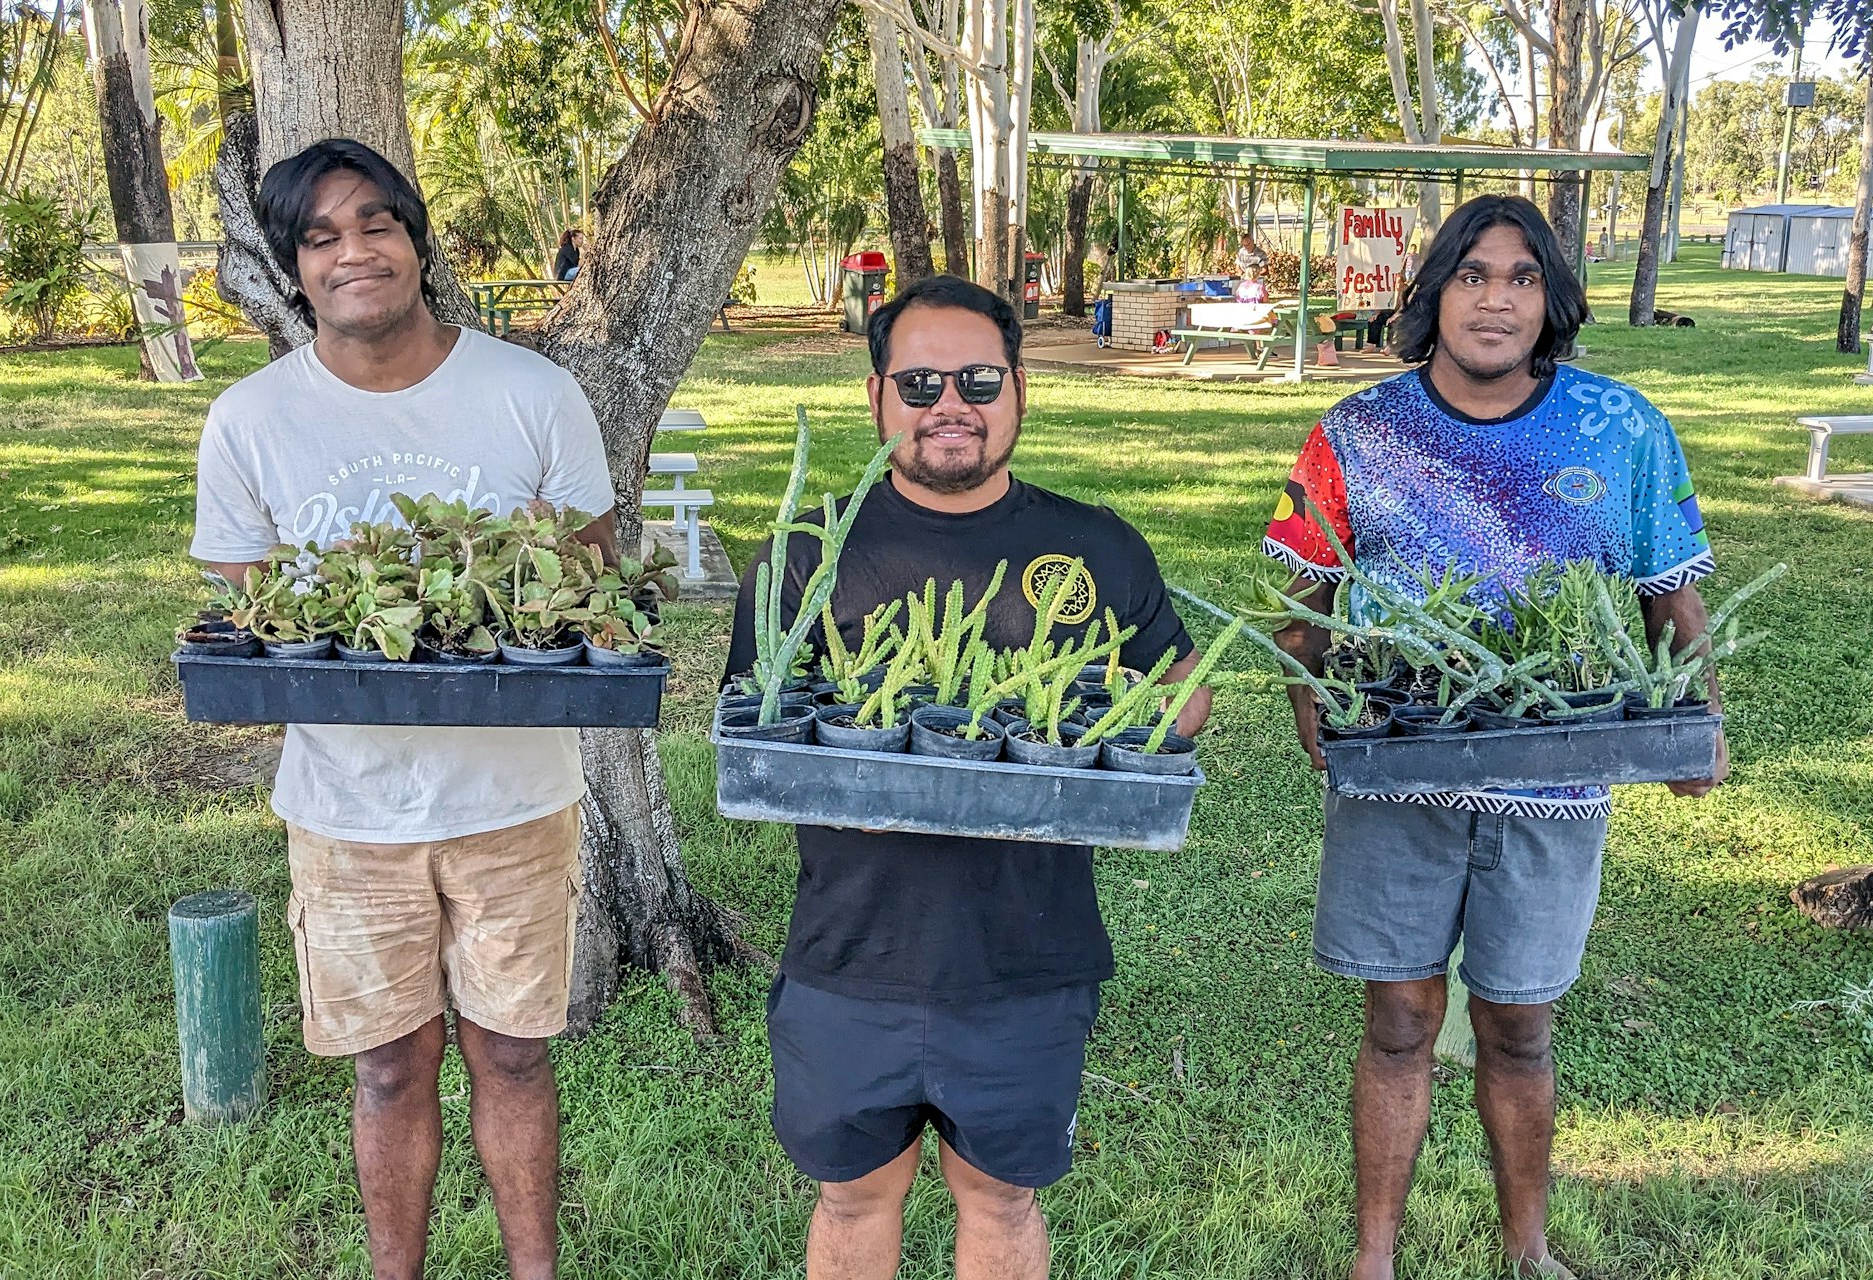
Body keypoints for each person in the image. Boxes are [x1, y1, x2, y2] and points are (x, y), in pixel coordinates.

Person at [1258, 194, 1723, 1280]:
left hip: (1555, 776)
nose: (1496, 299)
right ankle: (1374, 1256)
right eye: (1472, 275)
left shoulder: (1624, 428)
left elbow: (1674, 601)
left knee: (1521, 1025)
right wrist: (1304, 700)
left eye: (1520, 277)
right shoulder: (1355, 430)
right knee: (1399, 1018)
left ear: (1550, 299)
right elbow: (1304, 598)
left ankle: (1529, 1248)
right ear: (1435, 294)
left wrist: (1700, 719)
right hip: (1396, 768)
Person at [726, 275, 1212, 1280]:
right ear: (878, 398)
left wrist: (1124, 699)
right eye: (920, 380)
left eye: (979, 378)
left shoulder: (1095, 543)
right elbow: (758, 723)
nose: (951, 401)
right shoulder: (805, 553)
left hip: (1026, 957)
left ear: (1019, 389)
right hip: (848, 951)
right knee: (854, 1195)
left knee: (1001, 1196)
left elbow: (1183, 690)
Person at [190, 138, 617, 1280]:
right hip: (346, 803)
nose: (353, 252)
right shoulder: (250, 418)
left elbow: (593, 582)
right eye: (320, 236)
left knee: (516, 1059)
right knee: (387, 1067)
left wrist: (539, 559)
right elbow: (259, 612)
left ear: (418, 241)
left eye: (376, 223)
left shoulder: (533, 392)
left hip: (516, 794)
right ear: (293, 269)